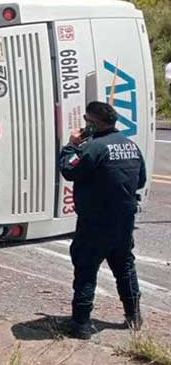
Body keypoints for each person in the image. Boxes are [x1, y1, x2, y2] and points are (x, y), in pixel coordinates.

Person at [57, 100, 146, 339]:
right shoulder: (131, 146)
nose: (84, 125)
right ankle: (134, 316)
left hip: (95, 222)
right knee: (125, 267)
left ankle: (81, 324)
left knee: (86, 269)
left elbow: (69, 169)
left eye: (86, 120)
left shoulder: (93, 148)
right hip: (124, 222)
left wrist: (71, 145)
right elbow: (141, 181)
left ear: (93, 124)